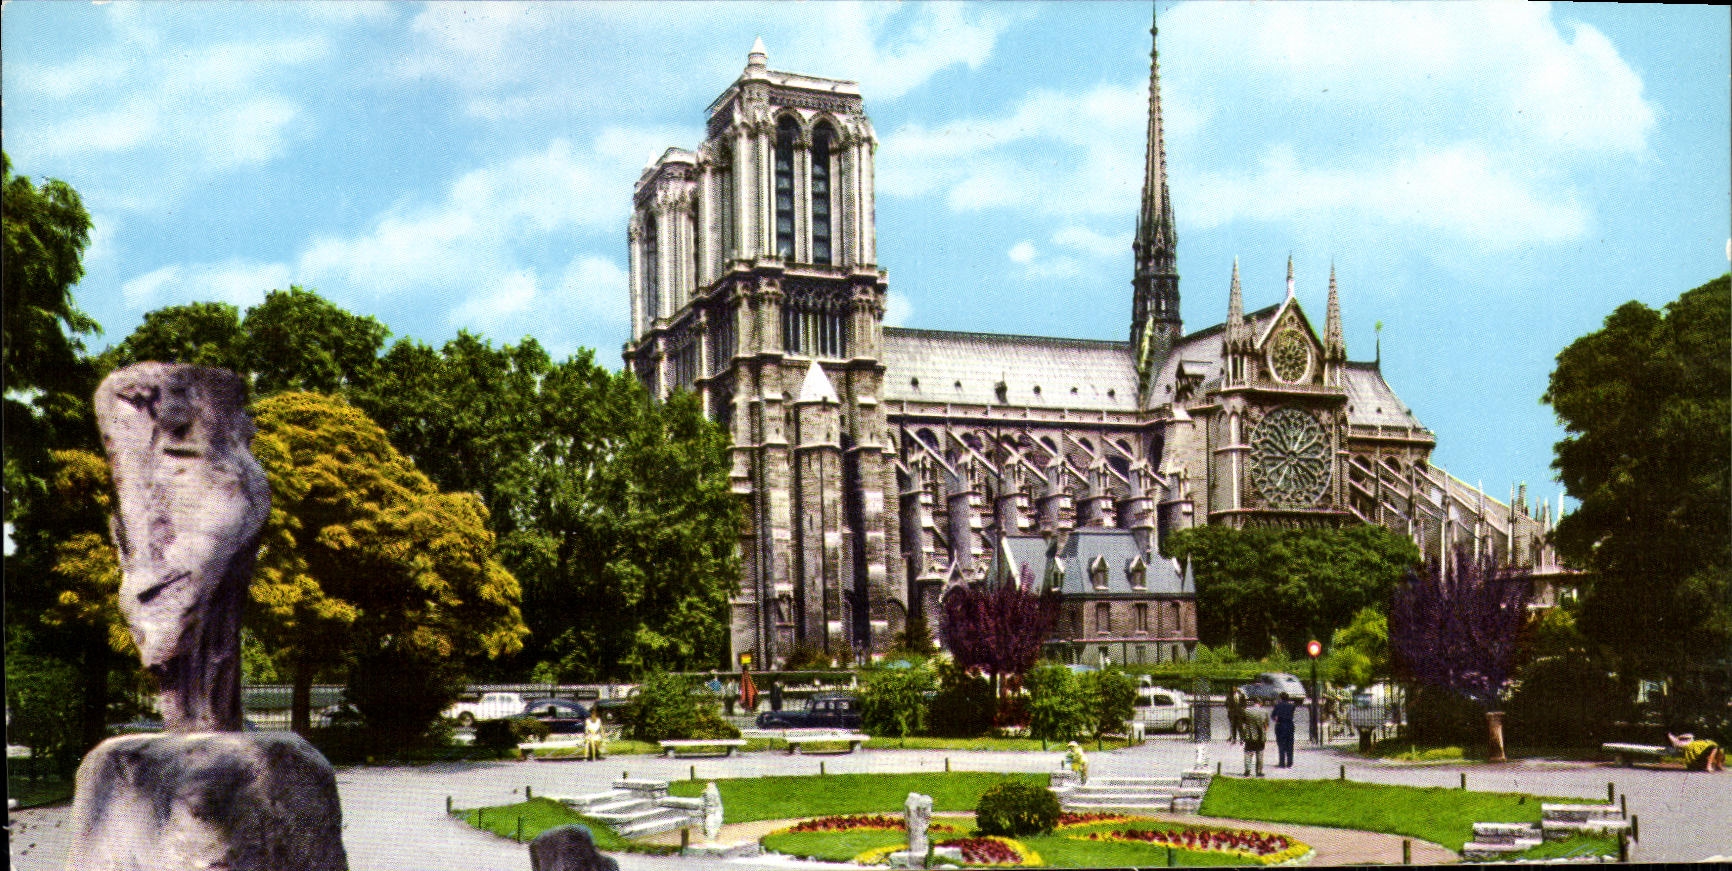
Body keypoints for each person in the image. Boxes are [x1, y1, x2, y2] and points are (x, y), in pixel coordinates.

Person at [1240, 702, 1267, 777]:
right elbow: (1265, 724)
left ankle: (1247, 771)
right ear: (1260, 703)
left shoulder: (1246, 711)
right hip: (1260, 736)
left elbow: (1243, 722)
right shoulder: (1264, 711)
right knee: (1260, 753)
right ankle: (1259, 772)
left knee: (1248, 753)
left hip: (1250, 735)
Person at [1272, 692, 1298, 768]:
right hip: (1289, 725)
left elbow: (1273, 716)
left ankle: (1282, 762)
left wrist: (1276, 720)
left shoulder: (1278, 705)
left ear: (1280, 698)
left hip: (1280, 725)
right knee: (1290, 744)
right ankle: (1289, 762)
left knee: (1281, 744)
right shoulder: (1292, 706)